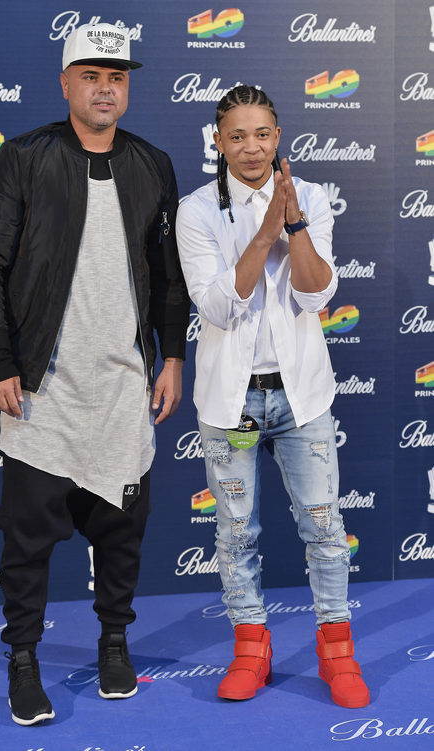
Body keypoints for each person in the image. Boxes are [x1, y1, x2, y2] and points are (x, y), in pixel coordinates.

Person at [0, 23, 189, 725]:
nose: (105, 89)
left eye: (116, 77)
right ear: (65, 84)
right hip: (41, 389)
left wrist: (172, 355)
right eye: (91, 76)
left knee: (122, 535)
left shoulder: (153, 163)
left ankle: (115, 643)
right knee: (27, 542)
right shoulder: (23, 157)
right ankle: (23, 659)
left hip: (122, 386)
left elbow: (168, 276)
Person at [176, 85, 369, 709]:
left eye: (262, 134)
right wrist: (264, 234)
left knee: (325, 527)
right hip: (229, 404)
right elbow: (218, 309)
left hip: (301, 398)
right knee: (236, 532)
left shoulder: (309, 197)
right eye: (237, 136)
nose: (252, 147)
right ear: (218, 142)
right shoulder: (196, 211)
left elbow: (316, 295)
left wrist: (295, 224)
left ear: (278, 137)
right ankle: (250, 650)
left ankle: (337, 652)